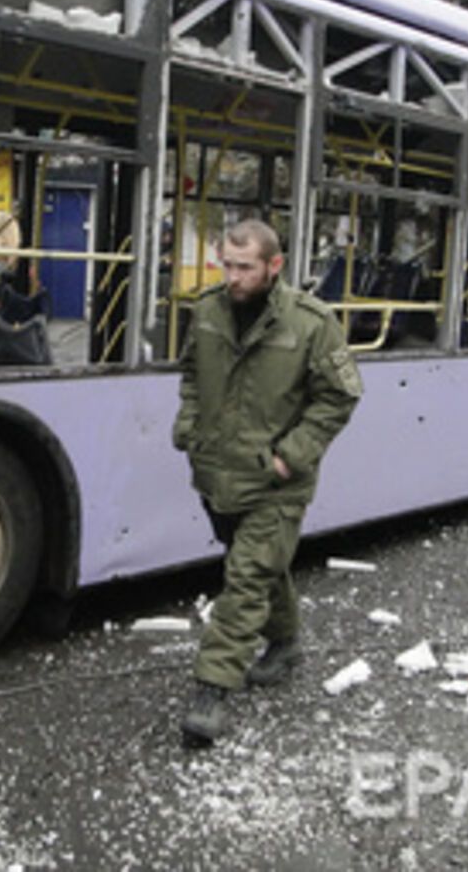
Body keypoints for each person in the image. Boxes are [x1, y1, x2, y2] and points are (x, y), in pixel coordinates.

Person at [172, 218, 362, 745]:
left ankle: (211, 692)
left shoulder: (310, 323)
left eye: (244, 267)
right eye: (226, 265)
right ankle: (286, 643)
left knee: (246, 578)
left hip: (278, 482)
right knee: (259, 566)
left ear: (273, 266)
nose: (232, 277)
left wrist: (290, 457)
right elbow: (191, 374)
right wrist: (188, 428)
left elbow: (340, 396)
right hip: (218, 475)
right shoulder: (208, 309)